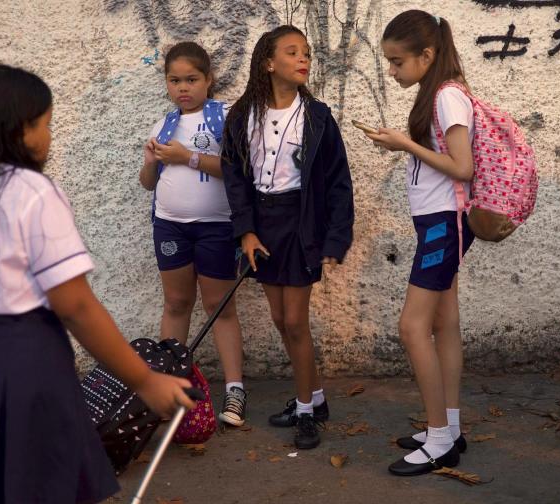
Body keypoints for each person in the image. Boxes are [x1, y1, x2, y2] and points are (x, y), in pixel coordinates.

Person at [0, 64, 194, 502]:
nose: (49, 137)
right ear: (20, 131)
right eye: (46, 125)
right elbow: (76, 307)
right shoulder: (32, 192)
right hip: (19, 372)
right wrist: (145, 380)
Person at [221, 25, 354, 450]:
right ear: (268, 63)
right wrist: (245, 231)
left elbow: (337, 182)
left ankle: (304, 410)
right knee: (281, 320)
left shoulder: (317, 117)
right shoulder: (243, 115)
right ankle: (315, 399)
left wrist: (335, 240)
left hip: (301, 223)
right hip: (262, 224)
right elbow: (235, 177)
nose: (304, 59)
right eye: (292, 52)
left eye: (307, 54)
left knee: (295, 321)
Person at [361, 10, 475, 476]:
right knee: (444, 323)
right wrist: (400, 144)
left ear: (427, 55)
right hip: (438, 223)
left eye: (397, 61)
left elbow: (462, 167)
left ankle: (440, 440)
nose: (391, 71)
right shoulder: (443, 94)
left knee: (413, 328)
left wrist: (404, 144)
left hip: (442, 226)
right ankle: (447, 428)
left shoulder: (448, 97)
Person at [140, 41, 247, 426]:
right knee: (176, 303)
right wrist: (152, 160)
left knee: (219, 306)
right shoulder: (164, 123)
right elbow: (148, 183)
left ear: (208, 80)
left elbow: (238, 168)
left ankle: (235, 390)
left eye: (191, 79)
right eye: (174, 80)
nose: (182, 88)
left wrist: (186, 156)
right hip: (170, 225)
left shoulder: (226, 116)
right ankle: (170, 388)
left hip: (217, 227)